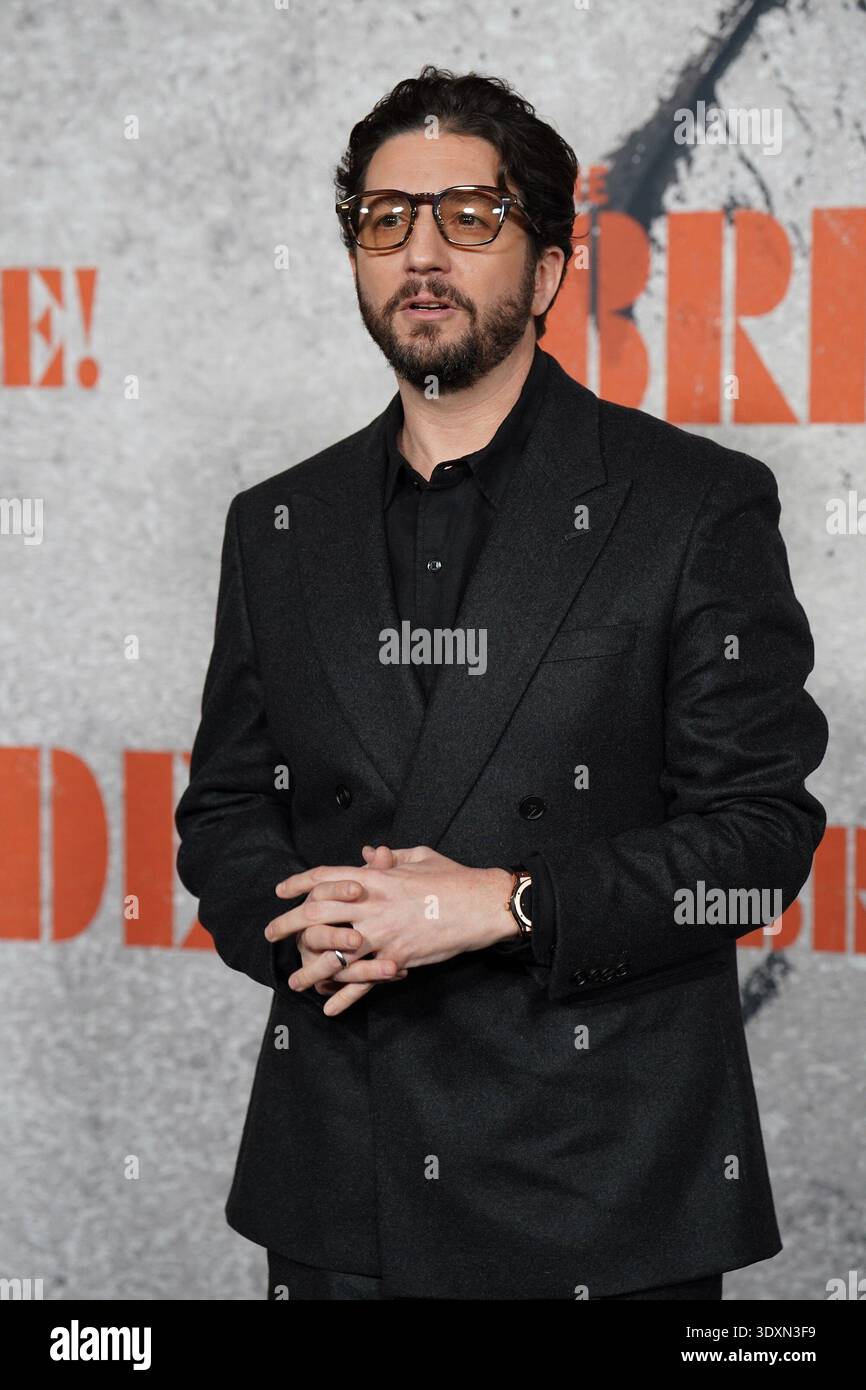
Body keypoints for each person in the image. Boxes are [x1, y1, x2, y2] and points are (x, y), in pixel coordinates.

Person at [174, 65, 829, 1301]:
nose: (419, 252)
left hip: (600, 1189)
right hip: (338, 1183)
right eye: (383, 219)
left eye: (467, 217)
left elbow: (755, 839)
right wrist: (298, 914)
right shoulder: (275, 523)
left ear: (543, 269)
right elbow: (222, 814)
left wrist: (508, 904)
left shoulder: (692, 504)